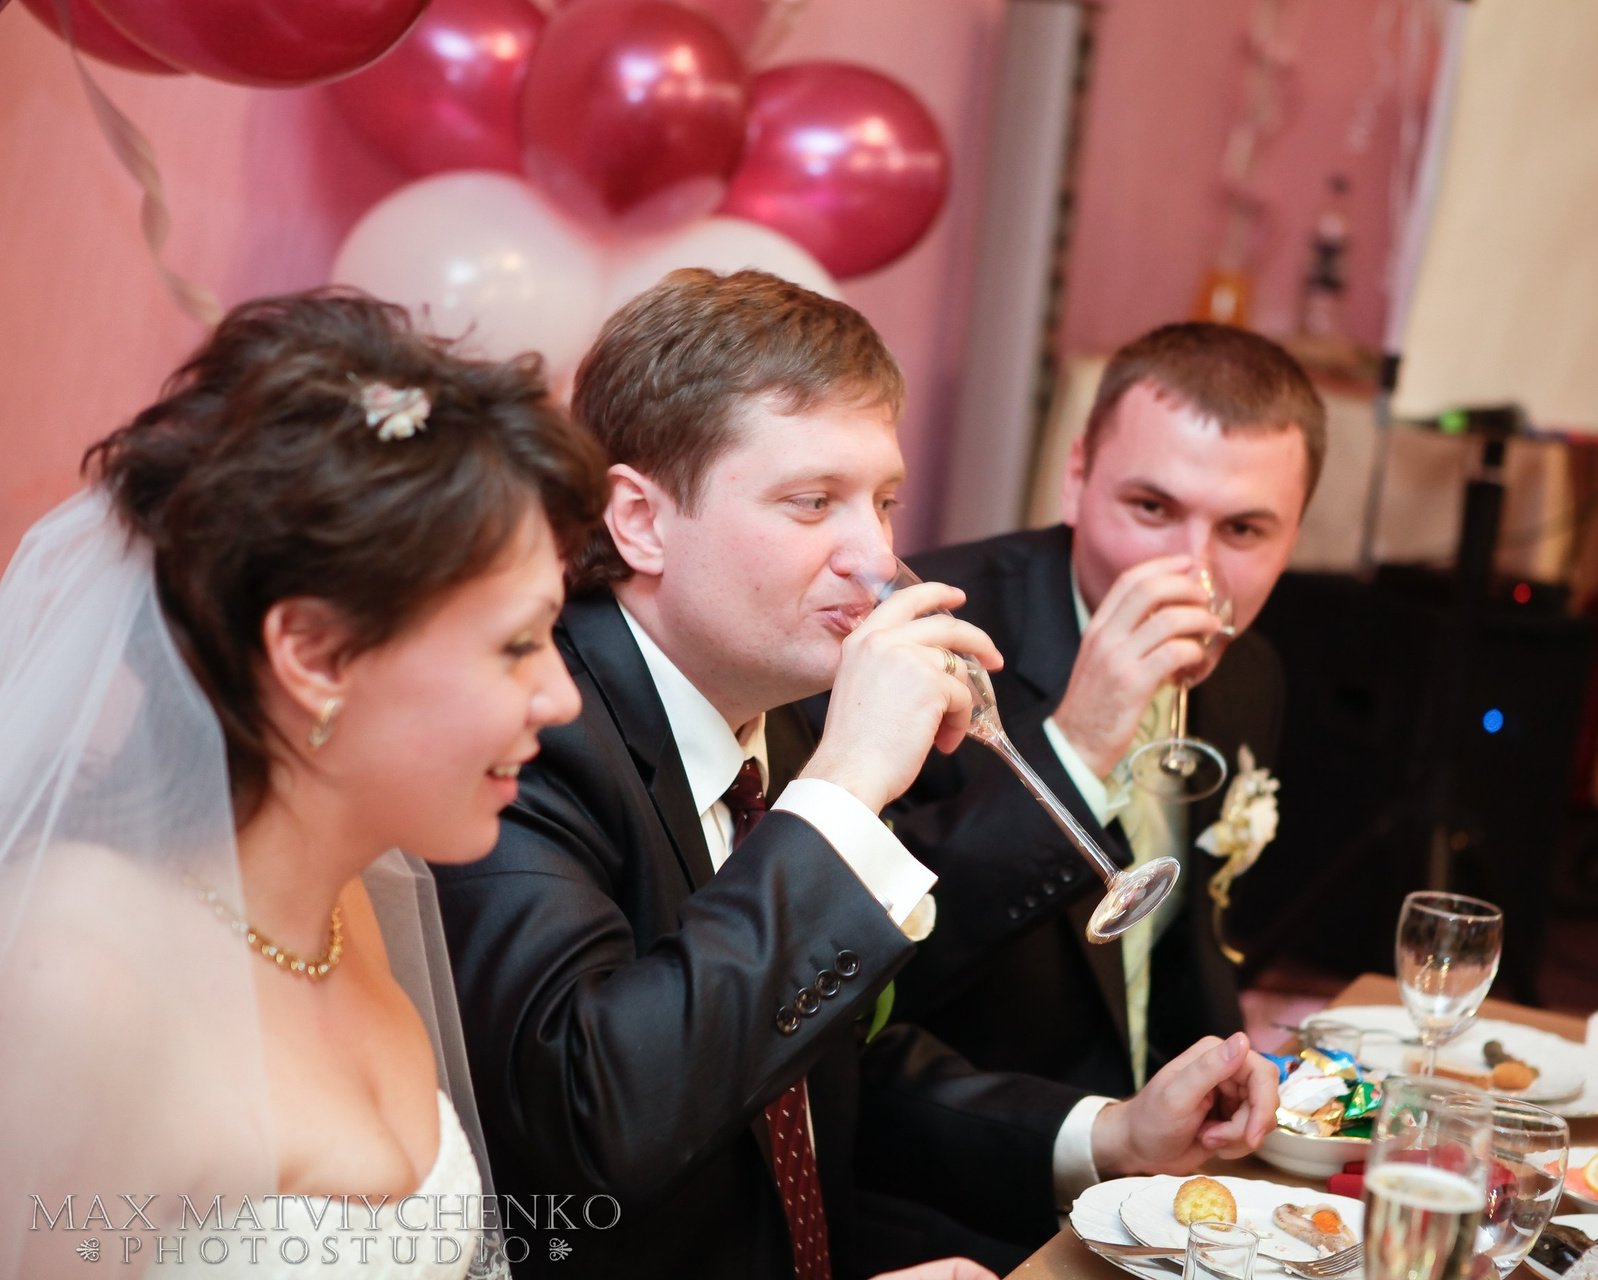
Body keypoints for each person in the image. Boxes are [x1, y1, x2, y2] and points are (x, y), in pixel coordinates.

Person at [432, 272, 1280, 1280]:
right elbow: (591, 1120)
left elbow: (824, 1069)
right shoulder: (532, 736)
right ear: (641, 520)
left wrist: (1109, 1137)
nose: (876, 557)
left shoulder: (779, 711)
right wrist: (841, 791)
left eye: (882, 502)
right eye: (812, 503)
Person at [0, 290, 609, 1278]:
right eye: (516, 643)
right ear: (316, 654)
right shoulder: (78, 980)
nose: (562, 696)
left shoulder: (343, 904)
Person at [883, 322, 1325, 1099]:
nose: (1193, 571)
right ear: (1076, 475)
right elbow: (876, 972)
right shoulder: (925, 638)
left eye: (1244, 529)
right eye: (1152, 506)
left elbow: (1188, 941)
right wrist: (1077, 742)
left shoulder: (1252, 671)